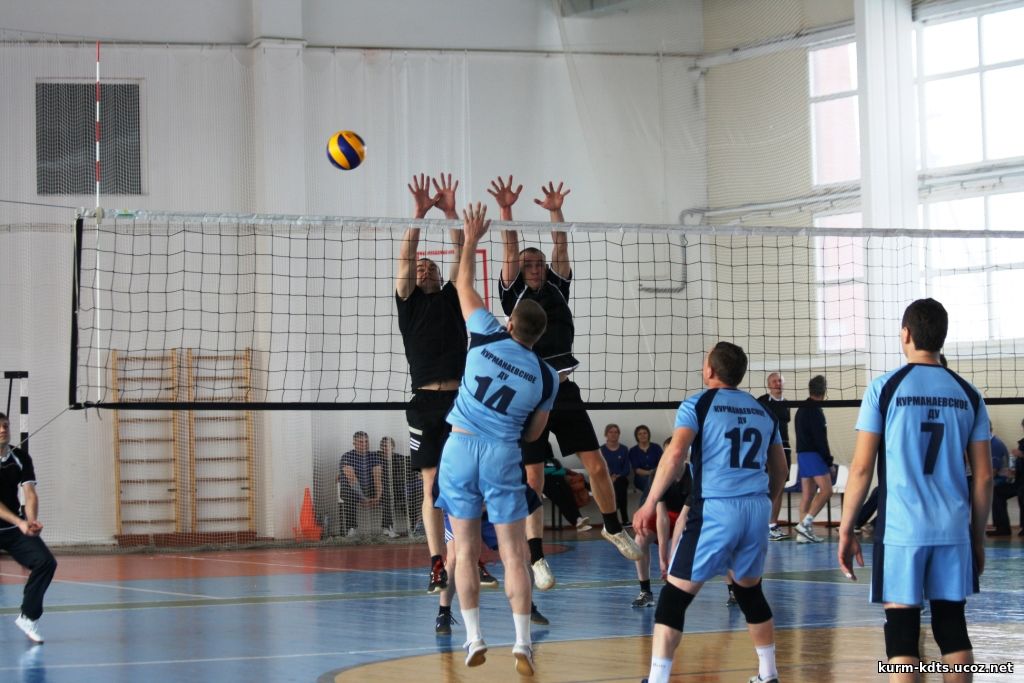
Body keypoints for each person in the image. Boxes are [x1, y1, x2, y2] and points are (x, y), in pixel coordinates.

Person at [839, 298, 992, 683]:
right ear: (942, 337)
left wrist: (846, 527)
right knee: (952, 627)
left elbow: (861, 468)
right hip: (952, 529)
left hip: (901, 531)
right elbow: (984, 477)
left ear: (905, 334)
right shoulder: (969, 394)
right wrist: (976, 539)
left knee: (902, 634)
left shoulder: (884, 388)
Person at [434, 202, 559, 675]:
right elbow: (534, 433)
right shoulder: (546, 376)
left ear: (510, 323)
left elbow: (463, 284)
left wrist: (470, 239)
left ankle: (473, 638)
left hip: (460, 446)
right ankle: (523, 643)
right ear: (538, 336)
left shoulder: (486, 334)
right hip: (503, 453)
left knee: (465, 550)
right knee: (513, 553)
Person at [493, 176, 641, 571]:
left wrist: (557, 211)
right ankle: (536, 555)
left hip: (563, 389)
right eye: (527, 264)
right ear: (519, 269)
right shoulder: (512, 294)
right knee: (534, 478)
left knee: (597, 465)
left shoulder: (558, 286)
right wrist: (506, 210)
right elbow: (509, 247)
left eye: (538, 264)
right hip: (528, 395)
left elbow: (560, 244)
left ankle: (613, 527)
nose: (534, 268)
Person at [634, 342, 787, 683]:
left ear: (710, 371)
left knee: (672, 600)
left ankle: (657, 679)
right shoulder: (764, 411)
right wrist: (765, 503)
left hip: (717, 508)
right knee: (749, 592)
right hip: (756, 509)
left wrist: (648, 502)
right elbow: (781, 470)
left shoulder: (698, 404)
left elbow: (676, 454)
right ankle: (768, 674)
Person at [397, 173, 466, 592]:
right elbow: (406, 257)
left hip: (460, 401)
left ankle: (467, 555)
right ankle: (437, 562)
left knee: (462, 483)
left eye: (430, 267)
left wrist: (451, 213)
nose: (423, 269)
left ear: (440, 276)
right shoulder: (407, 302)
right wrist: (419, 215)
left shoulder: (453, 296)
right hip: (423, 403)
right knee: (431, 486)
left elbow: (462, 250)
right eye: (419, 268)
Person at [435, 509, 550, 636]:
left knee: (522, 553)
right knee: (454, 557)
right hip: (460, 507)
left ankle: (527, 604)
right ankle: (443, 612)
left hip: (491, 506)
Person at [0, 412, 57, 644]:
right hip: (15, 523)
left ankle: (28, 617)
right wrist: (20, 522)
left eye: (5, 425)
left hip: (13, 530)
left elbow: (30, 493)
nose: (3, 430)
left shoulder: (20, 457)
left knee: (45, 562)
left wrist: (31, 521)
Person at [631, 442, 691, 610]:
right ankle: (645, 592)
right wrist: (662, 559)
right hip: (664, 515)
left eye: (677, 453)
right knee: (639, 540)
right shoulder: (658, 474)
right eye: (668, 453)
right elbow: (662, 517)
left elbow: (682, 520)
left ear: (685, 455)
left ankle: (733, 591)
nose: (672, 457)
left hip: (687, 516)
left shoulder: (693, 475)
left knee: (723, 539)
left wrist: (670, 557)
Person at [793, 375, 833, 543]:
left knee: (808, 495)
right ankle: (805, 524)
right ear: (824, 390)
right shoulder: (815, 411)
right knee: (827, 491)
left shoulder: (801, 408)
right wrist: (829, 461)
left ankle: (802, 535)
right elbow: (820, 439)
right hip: (813, 454)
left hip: (802, 454)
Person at [757, 372, 792, 541]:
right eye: (774, 381)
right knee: (764, 486)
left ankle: (772, 525)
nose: (778, 383)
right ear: (769, 384)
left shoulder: (787, 403)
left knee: (779, 486)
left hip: (784, 447)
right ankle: (761, 523)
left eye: (779, 381)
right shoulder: (762, 402)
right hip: (766, 448)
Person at [338, 431, 384, 537]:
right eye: (361, 442)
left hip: (371, 489)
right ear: (354, 443)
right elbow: (352, 479)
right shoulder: (347, 456)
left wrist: (378, 497)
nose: (364, 444)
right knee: (348, 493)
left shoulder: (374, 456)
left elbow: (377, 478)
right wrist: (363, 498)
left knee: (387, 492)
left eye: (366, 442)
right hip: (354, 491)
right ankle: (351, 528)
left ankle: (387, 527)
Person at [542, 449, 592, 532]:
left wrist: (552, 471)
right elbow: (542, 472)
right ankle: (577, 522)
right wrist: (554, 471)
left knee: (570, 497)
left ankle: (579, 519)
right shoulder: (538, 462)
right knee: (562, 501)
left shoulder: (554, 461)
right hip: (547, 486)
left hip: (561, 484)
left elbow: (562, 472)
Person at [600, 424, 632, 528]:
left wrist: (616, 476)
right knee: (611, 489)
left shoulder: (624, 449)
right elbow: (600, 467)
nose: (613, 434)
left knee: (620, 485)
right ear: (606, 434)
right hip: (605, 479)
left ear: (619, 434)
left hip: (620, 479)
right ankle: (620, 519)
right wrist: (610, 477)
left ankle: (620, 520)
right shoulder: (601, 450)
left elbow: (627, 469)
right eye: (611, 432)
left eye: (616, 432)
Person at [379, 436, 411, 538]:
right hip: (382, 489)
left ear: (393, 446)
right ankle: (388, 528)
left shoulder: (399, 458)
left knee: (409, 500)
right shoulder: (376, 458)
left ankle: (413, 526)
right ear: (381, 447)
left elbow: (410, 468)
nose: (386, 448)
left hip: (398, 489)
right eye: (384, 446)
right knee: (388, 497)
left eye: (389, 445)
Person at [988, 425, 1016, 537]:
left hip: (1002, 480)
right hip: (1001, 478)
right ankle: (1001, 526)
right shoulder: (993, 443)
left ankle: (1002, 527)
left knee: (994, 491)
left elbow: (993, 471)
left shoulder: (994, 445)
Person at [629, 425, 663, 505]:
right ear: (636, 436)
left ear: (648, 434)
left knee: (655, 483)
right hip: (641, 478)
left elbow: (662, 464)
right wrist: (649, 473)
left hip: (657, 475)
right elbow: (636, 470)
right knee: (649, 483)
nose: (642, 435)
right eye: (640, 434)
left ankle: (644, 505)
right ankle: (653, 505)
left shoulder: (656, 447)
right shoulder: (633, 451)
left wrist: (653, 473)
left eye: (645, 433)